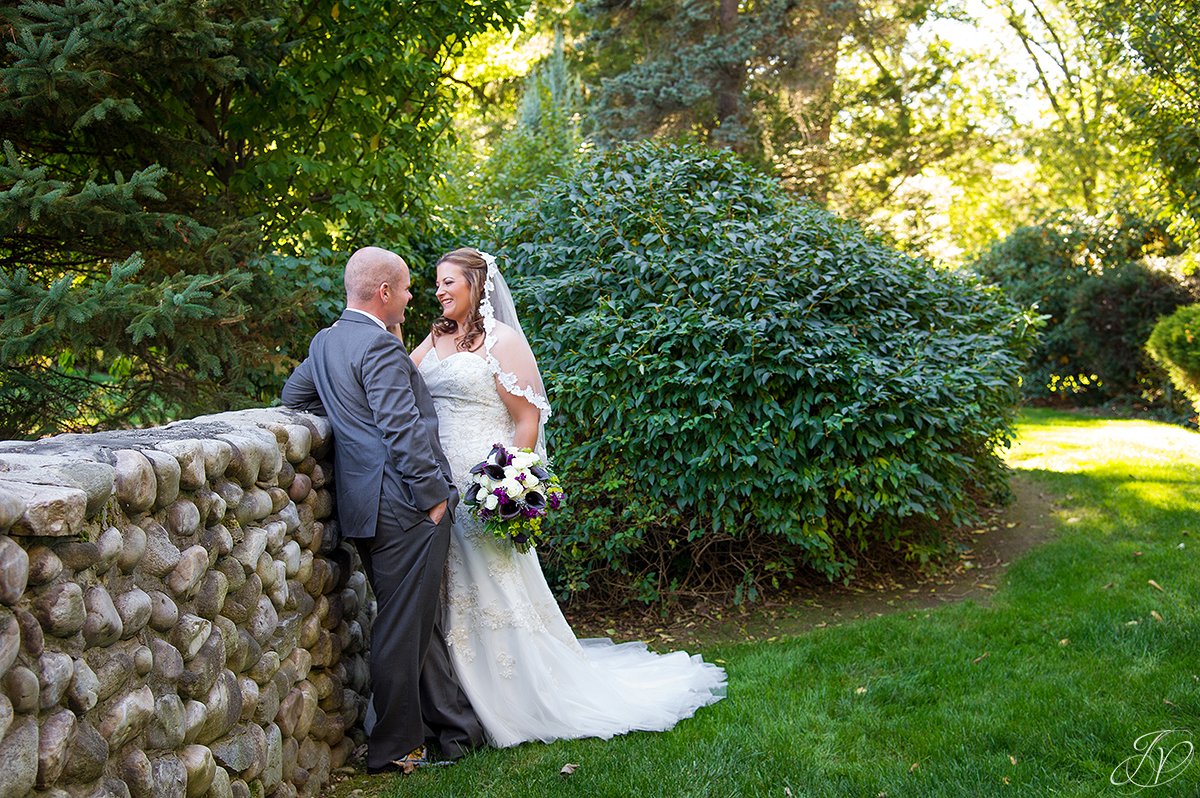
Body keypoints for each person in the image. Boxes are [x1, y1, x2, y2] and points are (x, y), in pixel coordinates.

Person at [410, 247, 726, 748]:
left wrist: (508, 482)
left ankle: (514, 698)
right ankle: (455, 702)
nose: (440, 292)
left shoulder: (502, 340)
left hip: (480, 486)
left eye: (449, 282)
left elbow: (527, 419)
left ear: (476, 285)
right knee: (450, 590)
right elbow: (400, 380)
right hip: (436, 484)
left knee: (495, 590)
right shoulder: (435, 338)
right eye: (437, 284)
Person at [281, 246, 485, 772]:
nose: (415, 295)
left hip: (367, 508)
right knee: (401, 627)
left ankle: (457, 731)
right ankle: (394, 748)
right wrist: (433, 498)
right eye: (408, 287)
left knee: (416, 622)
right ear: (385, 292)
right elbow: (401, 430)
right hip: (407, 507)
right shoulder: (378, 349)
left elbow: (295, 394)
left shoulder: (326, 342)